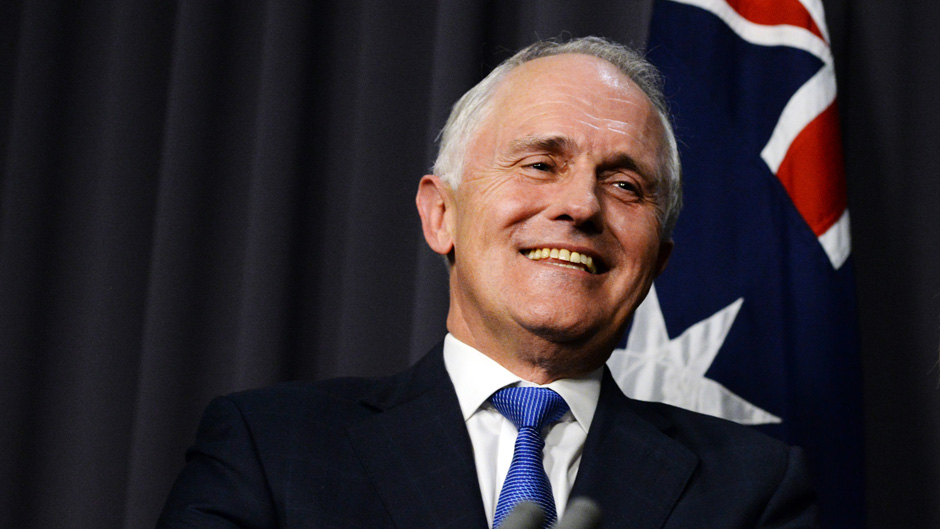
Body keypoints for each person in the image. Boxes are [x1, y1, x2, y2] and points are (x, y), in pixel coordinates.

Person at [157, 37, 819, 529]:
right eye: (539, 163)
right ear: (440, 213)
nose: (581, 206)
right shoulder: (268, 447)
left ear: (657, 264)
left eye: (625, 184)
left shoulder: (753, 490)